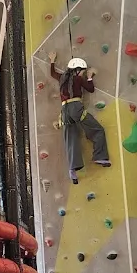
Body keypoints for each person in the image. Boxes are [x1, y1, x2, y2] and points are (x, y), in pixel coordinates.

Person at [49, 53, 110, 184]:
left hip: (65, 111)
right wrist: (89, 77)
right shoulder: (78, 79)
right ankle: (100, 156)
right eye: (82, 71)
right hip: (76, 108)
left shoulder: (62, 78)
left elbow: (52, 73)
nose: (82, 73)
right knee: (97, 130)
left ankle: (72, 171)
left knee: (71, 140)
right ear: (77, 70)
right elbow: (91, 89)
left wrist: (52, 60)